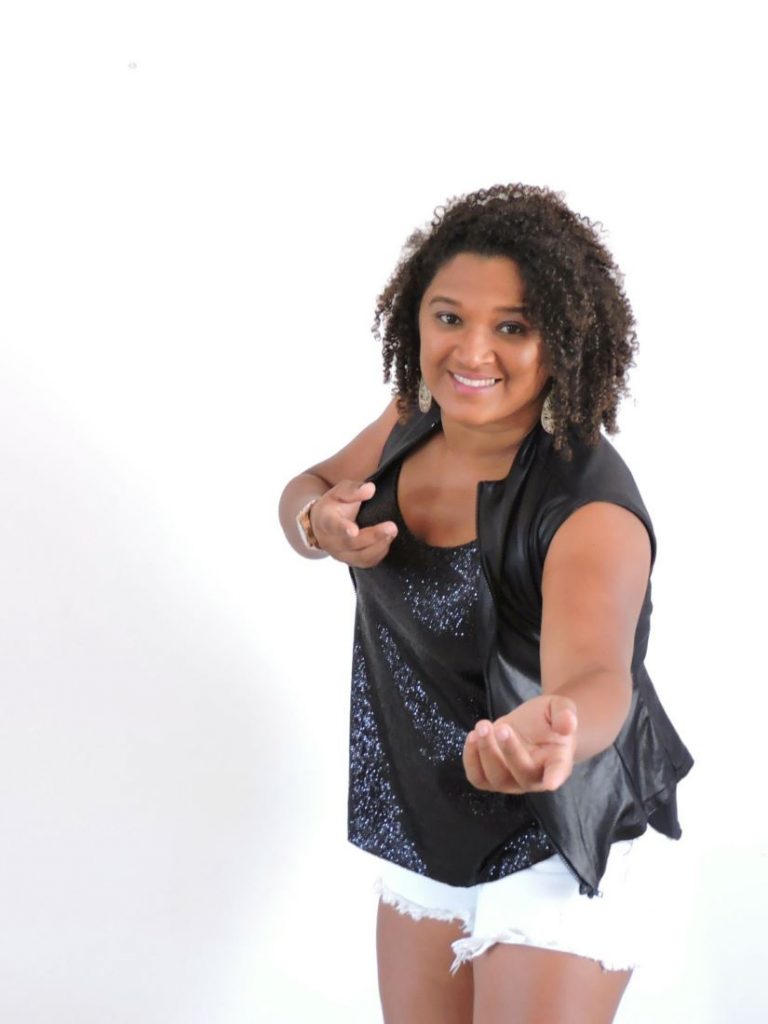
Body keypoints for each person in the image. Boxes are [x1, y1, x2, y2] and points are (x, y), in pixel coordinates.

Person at [278, 183, 693, 1024]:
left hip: (562, 833)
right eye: (449, 317)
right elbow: (311, 486)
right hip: (432, 818)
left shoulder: (588, 508)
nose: (472, 352)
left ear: (563, 341)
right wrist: (317, 522)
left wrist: (557, 732)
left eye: (513, 327)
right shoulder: (415, 418)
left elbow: (597, 674)